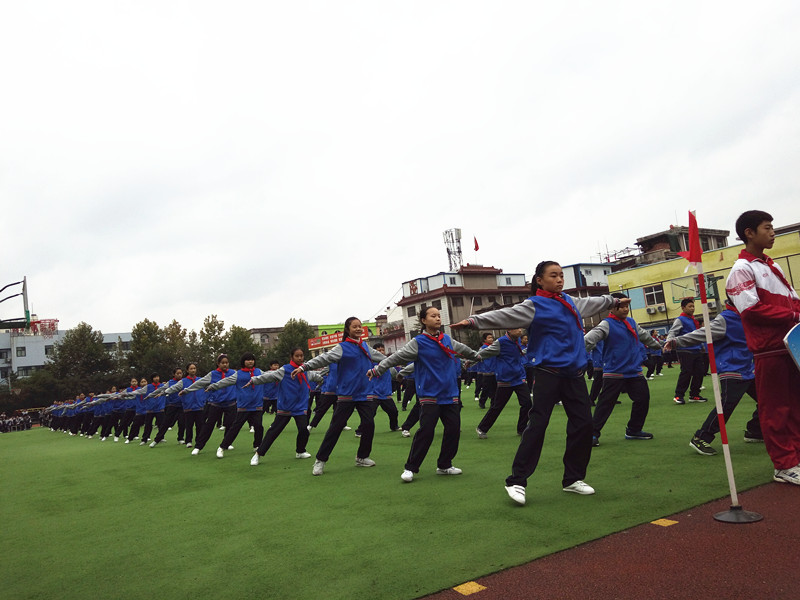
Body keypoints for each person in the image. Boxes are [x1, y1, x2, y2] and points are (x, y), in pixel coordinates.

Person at [453, 260, 630, 505]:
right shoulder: (534, 305)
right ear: (540, 280)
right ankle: (516, 480)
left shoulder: (570, 301)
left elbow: (593, 302)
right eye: (553, 275)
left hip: (574, 374)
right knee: (537, 425)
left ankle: (573, 479)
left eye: (561, 275)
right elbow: (505, 315)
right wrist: (473, 321)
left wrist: (613, 300)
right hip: (548, 373)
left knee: (584, 425)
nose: (559, 279)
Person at [725, 210, 800, 484]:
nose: (773, 232)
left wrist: (797, 312)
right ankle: (784, 465)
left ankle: (795, 458)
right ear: (749, 233)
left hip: (790, 346)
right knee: (776, 408)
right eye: (767, 227)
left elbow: (793, 300)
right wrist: (795, 314)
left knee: (795, 406)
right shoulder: (741, 269)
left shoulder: (772, 265)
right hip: (769, 349)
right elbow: (751, 310)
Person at [369, 307, 482, 482]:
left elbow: (466, 350)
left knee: (453, 431)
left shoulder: (447, 340)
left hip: (450, 394)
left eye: (439, 316)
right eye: (433, 316)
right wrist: (377, 369)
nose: (437, 318)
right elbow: (396, 357)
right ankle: (410, 468)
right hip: (429, 395)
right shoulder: (418, 342)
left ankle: (444, 465)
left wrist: (478, 357)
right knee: (426, 432)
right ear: (423, 320)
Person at [665, 298, 761, 456]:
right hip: (731, 369)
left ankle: (755, 431)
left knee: (768, 399)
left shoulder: (748, 317)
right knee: (726, 406)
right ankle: (701, 437)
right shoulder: (725, 319)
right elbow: (702, 333)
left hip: (748, 369)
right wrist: (676, 342)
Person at [292, 317, 387, 476]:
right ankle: (320, 460)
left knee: (369, 424)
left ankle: (362, 457)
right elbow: (323, 358)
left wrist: (398, 361)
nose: (358, 329)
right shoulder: (342, 348)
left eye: (360, 326)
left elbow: (384, 359)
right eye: (355, 326)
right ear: (347, 329)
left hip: (364, 394)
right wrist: (304, 367)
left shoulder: (365, 346)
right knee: (335, 428)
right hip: (347, 395)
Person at [584, 293, 662, 446]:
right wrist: (575, 353)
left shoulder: (631, 322)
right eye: (622, 306)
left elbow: (644, 336)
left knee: (643, 399)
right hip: (614, 372)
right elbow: (588, 339)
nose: (626, 309)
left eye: (627, 306)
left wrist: (659, 346)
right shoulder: (606, 324)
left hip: (634, 371)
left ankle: (633, 430)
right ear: (612, 308)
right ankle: (592, 434)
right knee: (605, 404)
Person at [244, 347, 324, 465]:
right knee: (273, 431)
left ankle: (300, 451)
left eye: (301, 355)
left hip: (300, 407)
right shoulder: (284, 370)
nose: (300, 358)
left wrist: (320, 381)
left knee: (304, 429)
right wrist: (253, 380)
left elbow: (318, 377)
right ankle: (258, 454)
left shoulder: (306, 370)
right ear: (291, 357)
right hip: (285, 407)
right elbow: (268, 376)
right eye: (297, 356)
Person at [205, 352, 266, 458]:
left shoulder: (259, 372)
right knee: (235, 428)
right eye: (248, 360)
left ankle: (257, 445)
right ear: (243, 362)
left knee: (259, 426)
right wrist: (213, 386)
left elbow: (271, 376)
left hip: (257, 405)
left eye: (252, 359)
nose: (250, 361)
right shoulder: (238, 374)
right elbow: (225, 381)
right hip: (243, 406)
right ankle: (222, 447)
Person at [475, 328, 532, 438]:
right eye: (517, 328)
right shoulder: (500, 342)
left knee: (527, 403)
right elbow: (483, 353)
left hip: (519, 378)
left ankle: (521, 429)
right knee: (497, 407)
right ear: (509, 330)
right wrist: (470, 361)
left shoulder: (517, 341)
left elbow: (519, 353)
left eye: (520, 328)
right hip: (505, 380)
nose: (520, 330)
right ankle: (482, 428)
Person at [181, 354, 237, 456]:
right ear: (218, 364)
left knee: (230, 425)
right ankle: (198, 446)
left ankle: (227, 443)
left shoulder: (233, 373)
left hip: (230, 403)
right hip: (216, 403)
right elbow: (200, 383)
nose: (225, 365)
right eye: (222, 363)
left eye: (226, 363)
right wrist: (187, 390)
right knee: (208, 426)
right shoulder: (213, 374)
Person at [668, 298, 707, 404]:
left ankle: (694, 395)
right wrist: (669, 342)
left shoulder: (693, 320)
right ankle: (678, 395)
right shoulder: (680, 320)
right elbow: (672, 332)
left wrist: (701, 345)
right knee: (686, 372)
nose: (692, 308)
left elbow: (696, 335)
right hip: (684, 350)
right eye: (690, 306)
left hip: (696, 350)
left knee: (699, 372)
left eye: (693, 306)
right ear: (683, 308)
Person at [365, 343, 401, 433]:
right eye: (379, 350)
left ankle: (394, 426)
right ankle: (360, 430)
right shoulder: (370, 363)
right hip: (374, 393)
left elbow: (394, 374)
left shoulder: (387, 363)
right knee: (370, 414)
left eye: (382, 350)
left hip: (386, 393)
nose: (381, 352)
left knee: (393, 412)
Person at [476, 333, 497, 409]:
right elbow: (479, 358)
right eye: (489, 338)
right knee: (486, 388)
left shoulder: (495, 347)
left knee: (495, 388)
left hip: (495, 371)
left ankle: (493, 403)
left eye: (492, 337)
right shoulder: (483, 348)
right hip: (486, 371)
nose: (491, 339)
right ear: (485, 340)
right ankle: (482, 401)